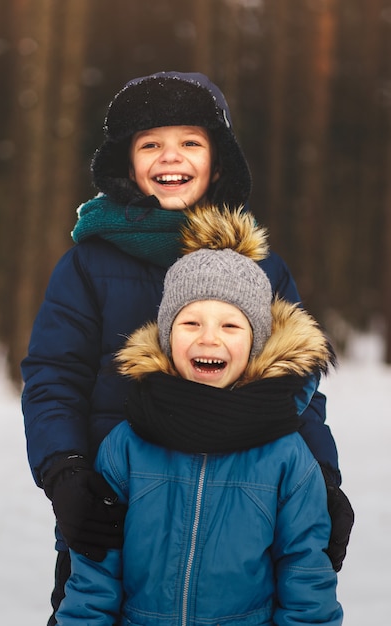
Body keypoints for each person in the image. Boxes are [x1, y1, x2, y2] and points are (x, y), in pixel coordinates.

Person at [21, 72, 353, 624]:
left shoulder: (260, 268)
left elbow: (295, 384)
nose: (169, 157)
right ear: (126, 163)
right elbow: (54, 377)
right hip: (115, 509)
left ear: (218, 162)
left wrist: (322, 478)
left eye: (190, 143)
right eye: (150, 143)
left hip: (239, 516)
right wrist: (67, 472)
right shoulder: (88, 263)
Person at [55, 206, 344, 626]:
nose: (209, 338)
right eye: (191, 322)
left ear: (257, 343)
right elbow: (93, 580)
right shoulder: (127, 445)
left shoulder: (287, 458)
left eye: (231, 326)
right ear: (168, 337)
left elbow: (307, 586)